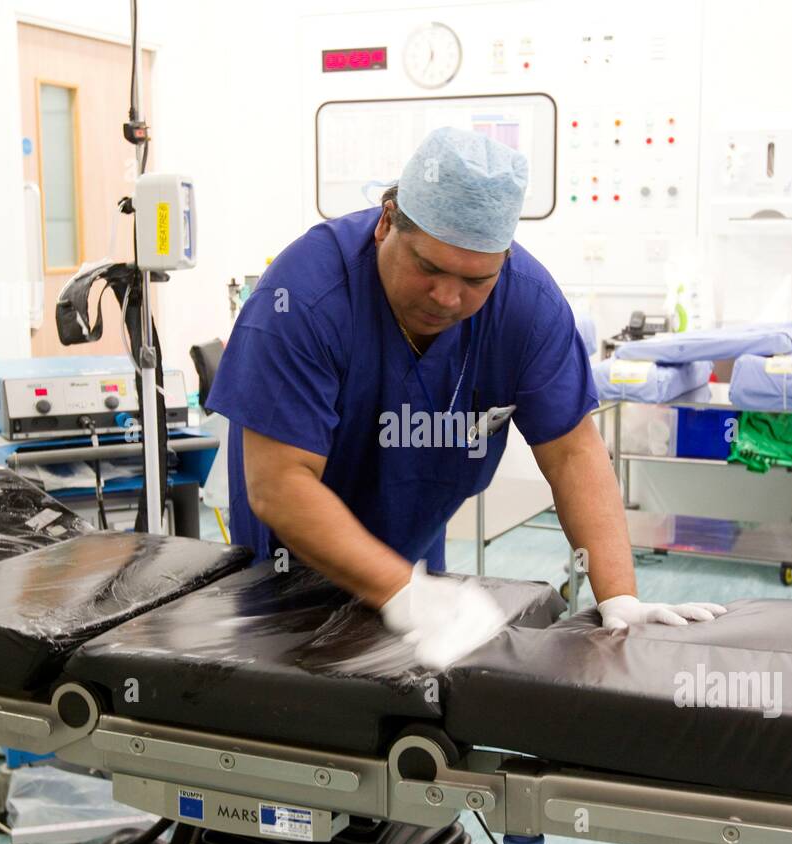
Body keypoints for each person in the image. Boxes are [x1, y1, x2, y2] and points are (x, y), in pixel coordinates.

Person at [208, 127, 723, 663]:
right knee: (290, 701)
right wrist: (402, 592)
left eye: (476, 279)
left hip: (412, 548)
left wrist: (619, 596)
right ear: (387, 223)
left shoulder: (527, 306)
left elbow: (572, 453)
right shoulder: (304, 298)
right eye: (429, 268)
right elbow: (280, 484)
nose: (448, 298)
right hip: (291, 562)